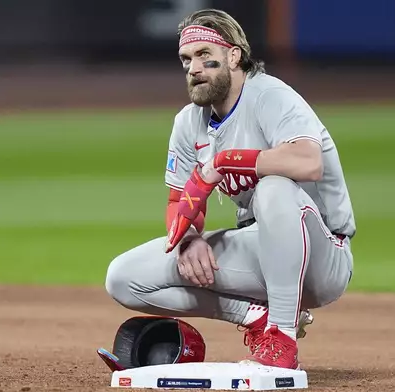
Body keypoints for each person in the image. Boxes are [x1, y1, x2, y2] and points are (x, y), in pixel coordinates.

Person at [104, 8, 356, 370]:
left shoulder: (269, 96)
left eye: (206, 56)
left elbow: (308, 162)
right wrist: (189, 238)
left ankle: (282, 338)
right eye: (187, 59)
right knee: (123, 278)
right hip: (261, 249)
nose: (194, 68)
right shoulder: (189, 122)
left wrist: (227, 161)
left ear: (234, 55)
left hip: (322, 258)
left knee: (274, 188)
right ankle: (257, 317)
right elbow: (179, 200)